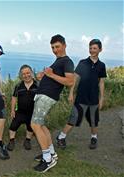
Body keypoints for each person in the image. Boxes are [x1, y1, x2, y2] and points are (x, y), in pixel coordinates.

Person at [31, 34, 74, 173]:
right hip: (43, 95)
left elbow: (70, 81)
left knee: (35, 125)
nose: (55, 50)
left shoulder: (67, 61)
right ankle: (51, 153)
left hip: (47, 97)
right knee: (41, 125)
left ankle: (47, 160)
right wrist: (43, 76)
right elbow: (53, 76)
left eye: (57, 47)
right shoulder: (58, 61)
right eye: (53, 47)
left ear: (64, 45)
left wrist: (50, 75)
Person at [56, 39, 107, 150]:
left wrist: (101, 98)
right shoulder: (82, 63)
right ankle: (61, 137)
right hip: (81, 97)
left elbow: (101, 82)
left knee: (94, 120)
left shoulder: (102, 65)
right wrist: (70, 93)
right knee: (74, 118)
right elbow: (75, 79)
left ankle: (94, 138)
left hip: (93, 98)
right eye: (90, 48)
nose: (92, 50)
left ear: (100, 49)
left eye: (94, 48)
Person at [7, 64, 37, 151]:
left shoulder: (37, 85)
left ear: (31, 73)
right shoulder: (18, 86)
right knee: (13, 126)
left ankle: (27, 140)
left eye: (28, 73)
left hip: (33, 112)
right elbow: (14, 98)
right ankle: (11, 141)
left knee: (30, 127)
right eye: (23, 74)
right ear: (21, 75)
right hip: (20, 111)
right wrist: (12, 110)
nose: (26, 75)